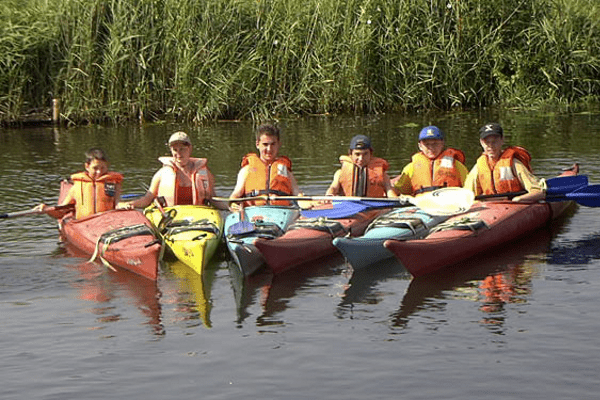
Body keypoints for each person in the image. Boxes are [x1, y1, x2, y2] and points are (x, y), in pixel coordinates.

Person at [118, 131, 216, 209]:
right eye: (175, 150)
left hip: (198, 217)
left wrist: (230, 204)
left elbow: (213, 200)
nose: (179, 154)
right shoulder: (161, 174)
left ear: (190, 149)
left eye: (182, 149)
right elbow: (147, 199)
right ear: (171, 150)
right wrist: (128, 204)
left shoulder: (205, 173)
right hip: (172, 217)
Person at [463, 122, 544, 202]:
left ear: (502, 140)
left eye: (494, 141)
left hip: (514, 204)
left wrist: (518, 199)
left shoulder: (514, 163)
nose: (491, 146)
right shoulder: (478, 167)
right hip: (490, 207)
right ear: (481, 143)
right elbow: (467, 195)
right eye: (487, 142)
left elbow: (538, 191)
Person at [35, 148, 123, 219]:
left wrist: (127, 205)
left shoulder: (112, 183)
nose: (99, 172)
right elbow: (61, 211)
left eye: (103, 168)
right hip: (84, 225)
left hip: (106, 222)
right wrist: (46, 209)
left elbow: (117, 203)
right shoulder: (76, 186)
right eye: (95, 168)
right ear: (87, 166)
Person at [229, 123, 301, 208]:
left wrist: (310, 203)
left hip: (281, 212)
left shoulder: (285, 171)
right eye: (265, 144)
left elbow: (298, 195)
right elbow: (236, 194)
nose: (269, 149)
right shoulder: (246, 170)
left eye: (273, 144)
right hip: (254, 212)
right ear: (257, 144)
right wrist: (232, 203)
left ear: (279, 144)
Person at [391, 125, 468, 195]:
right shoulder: (411, 168)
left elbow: (469, 188)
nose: (431, 148)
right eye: (427, 144)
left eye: (435, 144)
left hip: (449, 203)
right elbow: (399, 190)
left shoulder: (457, 165)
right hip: (422, 205)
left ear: (442, 143)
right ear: (420, 146)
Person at [325, 134, 397, 198]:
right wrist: (329, 195)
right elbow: (333, 187)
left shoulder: (382, 174)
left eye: (365, 154)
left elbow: (389, 191)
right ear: (350, 154)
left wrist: (396, 199)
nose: (361, 159)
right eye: (357, 154)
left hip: (374, 208)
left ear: (371, 154)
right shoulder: (340, 173)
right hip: (348, 207)